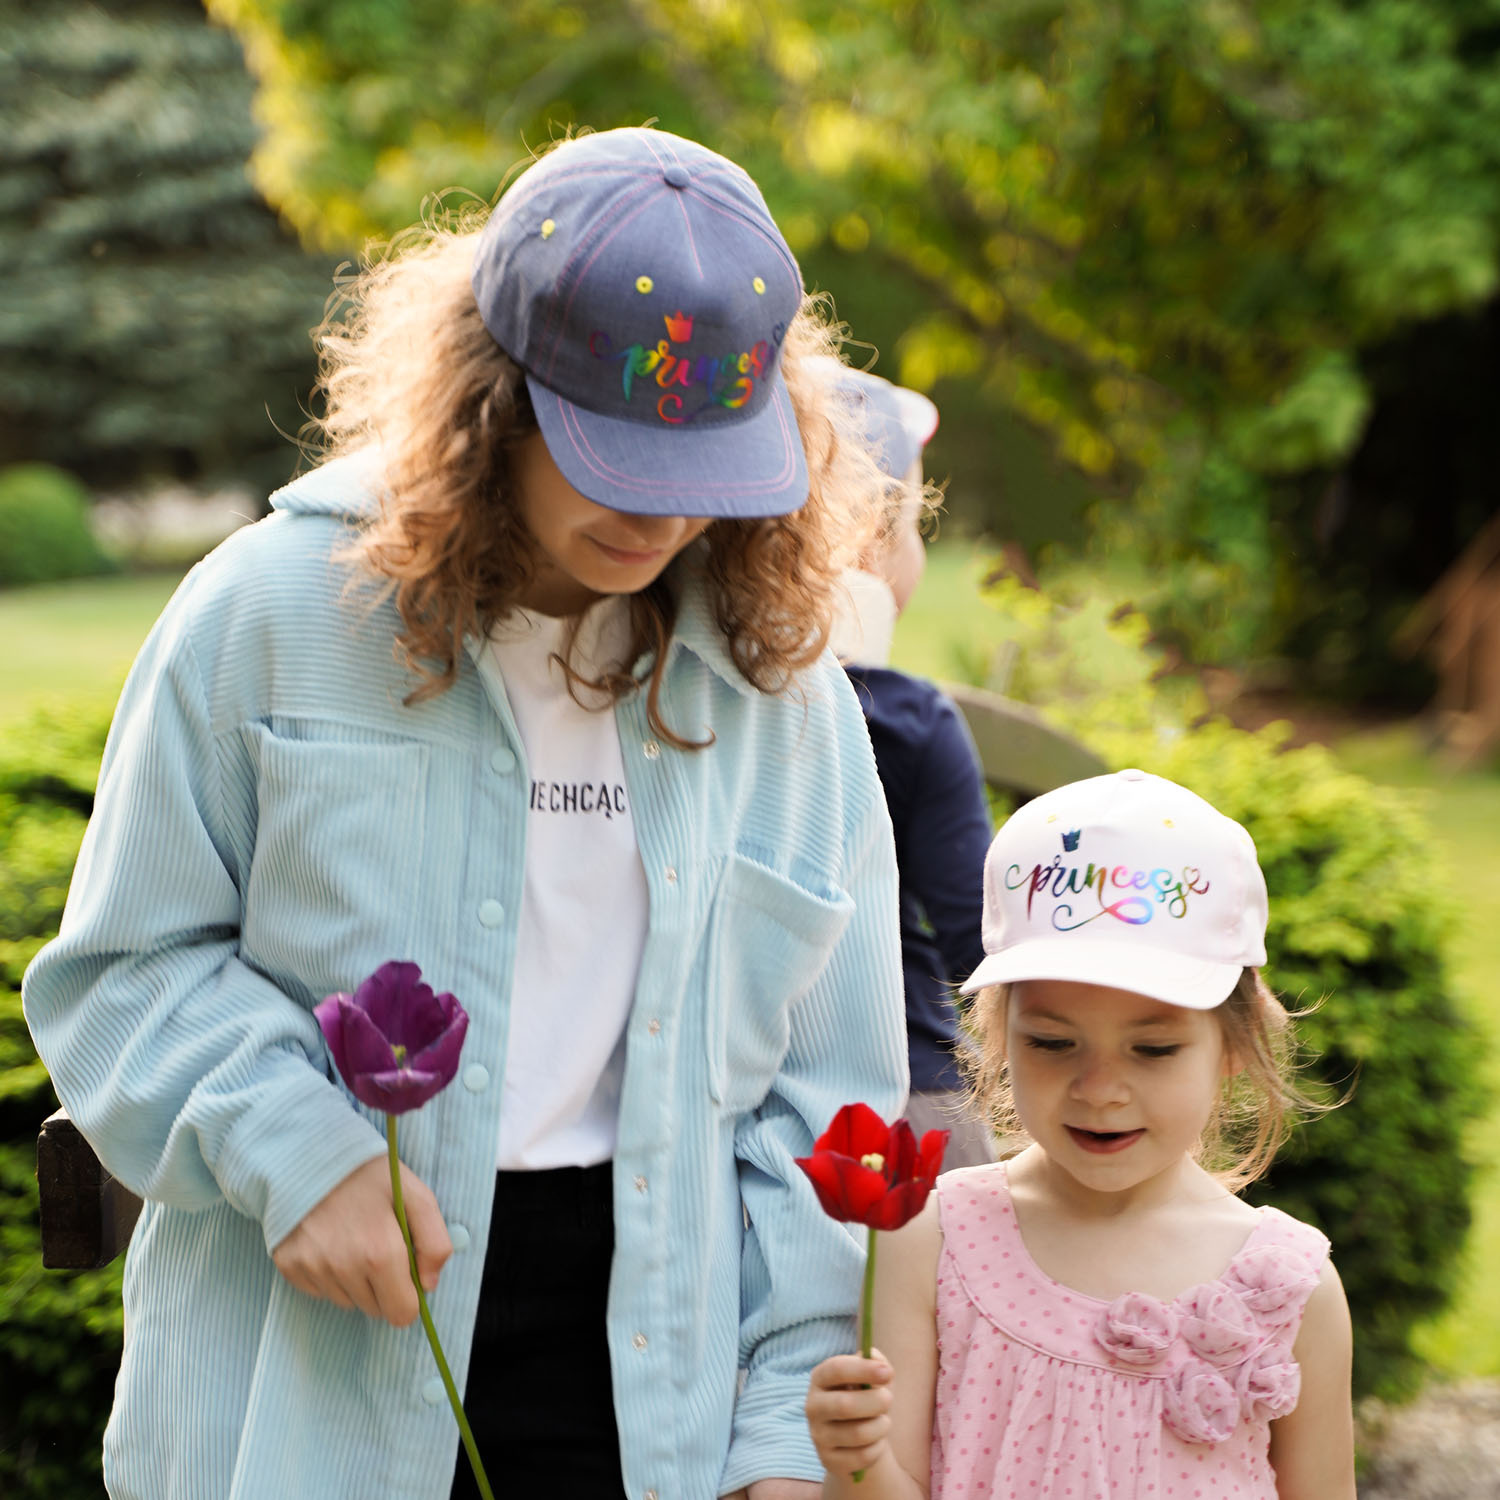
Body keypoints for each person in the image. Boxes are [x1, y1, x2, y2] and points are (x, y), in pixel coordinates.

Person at [23, 127, 909, 1500]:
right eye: (611, 454)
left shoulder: (785, 698)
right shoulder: (267, 615)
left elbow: (826, 1098)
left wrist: (786, 1427)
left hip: (656, 1392)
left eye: (700, 471)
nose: (658, 516)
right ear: (491, 401)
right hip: (310, 1375)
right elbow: (123, 970)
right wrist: (297, 1152)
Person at [805, 768, 1356, 1499]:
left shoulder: (1292, 1289)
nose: (1099, 1089)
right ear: (997, 1035)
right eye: (1053, 1043)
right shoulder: (933, 1242)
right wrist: (857, 1458)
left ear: (1235, 1043)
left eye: (1152, 1049)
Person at [821, 364, 995, 1170]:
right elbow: (978, 949)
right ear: (869, 537)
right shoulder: (910, 720)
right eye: (916, 524)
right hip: (908, 1100)